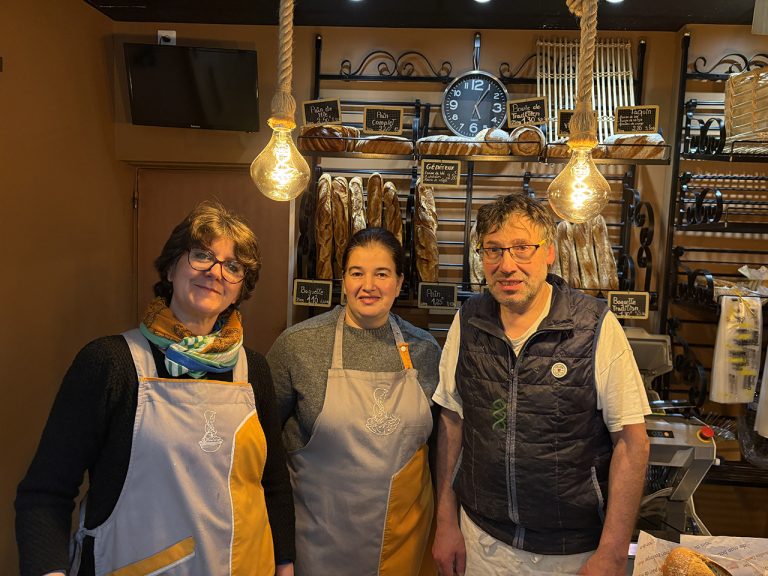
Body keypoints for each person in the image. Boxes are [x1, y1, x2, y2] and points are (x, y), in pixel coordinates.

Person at [15, 201, 295, 576]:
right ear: (171, 267)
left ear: (239, 290)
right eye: (202, 255)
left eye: (233, 266)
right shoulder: (110, 363)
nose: (215, 272)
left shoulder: (253, 370)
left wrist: (284, 564)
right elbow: (45, 493)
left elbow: (273, 484)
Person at [431, 193, 651, 576]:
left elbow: (632, 443)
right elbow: (452, 422)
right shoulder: (468, 321)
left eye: (522, 248)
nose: (507, 265)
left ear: (548, 252)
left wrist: (614, 551)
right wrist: (446, 522)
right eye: (494, 250)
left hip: (571, 556)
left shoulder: (594, 326)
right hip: (482, 543)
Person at [267, 227, 442, 576]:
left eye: (382, 274)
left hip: (403, 542)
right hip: (317, 540)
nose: (368, 285)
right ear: (343, 280)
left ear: (399, 282)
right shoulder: (298, 346)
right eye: (357, 273)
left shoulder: (425, 351)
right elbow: (264, 447)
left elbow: (440, 449)